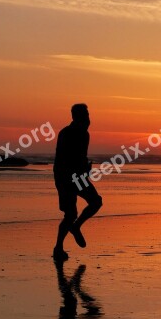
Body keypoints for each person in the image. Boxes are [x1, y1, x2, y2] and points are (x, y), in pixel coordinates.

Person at [53, 104, 103, 261]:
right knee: (70, 214)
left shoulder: (85, 134)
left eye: (88, 114)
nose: (88, 118)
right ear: (76, 116)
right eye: (85, 115)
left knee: (96, 202)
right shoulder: (66, 133)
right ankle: (58, 248)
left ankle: (76, 226)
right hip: (65, 178)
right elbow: (64, 158)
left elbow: (80, 156)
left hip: (78, 177)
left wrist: (85, 167)